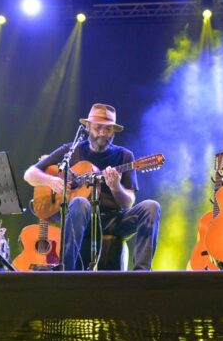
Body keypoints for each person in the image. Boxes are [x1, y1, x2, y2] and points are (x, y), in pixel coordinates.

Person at [24, 103, 160, 270]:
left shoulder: (125, 156)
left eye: (108, 129)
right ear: (87, 127)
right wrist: (52, 181)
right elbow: (30, 174)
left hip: (113, 220)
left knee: (151, 207)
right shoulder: (71, 151)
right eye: (98, 128)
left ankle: (141, 273)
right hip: (80, 219)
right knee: (80, 202)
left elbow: (128, 203)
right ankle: (67, 272)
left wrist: (116, 187)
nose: (103, 133)